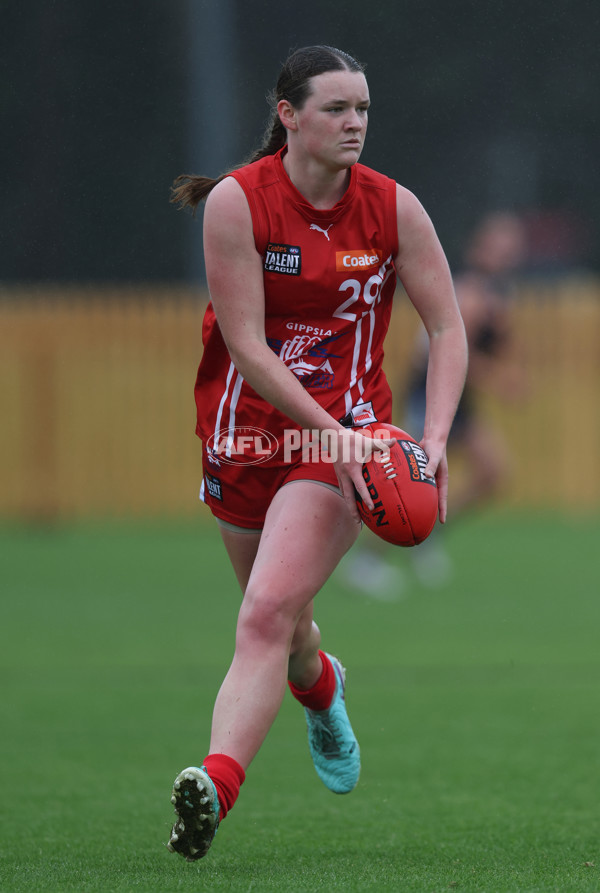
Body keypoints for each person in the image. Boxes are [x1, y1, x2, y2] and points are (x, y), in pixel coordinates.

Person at [166, 45, 467, 861]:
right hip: (246, 434)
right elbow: (249, 347)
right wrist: (321, 428)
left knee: (262, 614)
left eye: (363, 109)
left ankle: (213, 788)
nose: (355, 123)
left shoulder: (394, 208)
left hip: (345, 443)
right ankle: (323, 687)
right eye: (336, 108)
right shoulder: (238, 202)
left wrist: (430, 438)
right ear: (288, 115)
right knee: (288, 633)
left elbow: (447, 327)